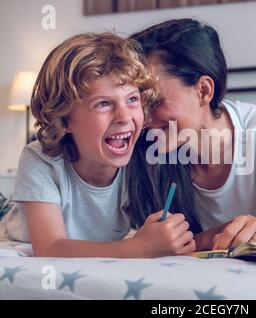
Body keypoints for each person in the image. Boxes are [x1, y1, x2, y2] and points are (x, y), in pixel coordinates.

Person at [128, 19, 256, 251]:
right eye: (136, 101)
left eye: (155, 101)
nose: (143, 118)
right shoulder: (138, 146)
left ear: (203, 91)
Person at [0, 32, 195, 258]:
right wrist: (139, 247)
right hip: (14, 234)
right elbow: (50, 248)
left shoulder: (143, 153)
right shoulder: (41, 160)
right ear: (64, 119)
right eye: (103, 103)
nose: (124, 116)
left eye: (132, 99)